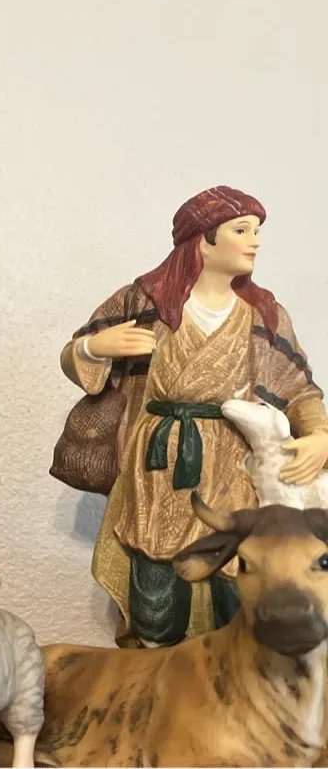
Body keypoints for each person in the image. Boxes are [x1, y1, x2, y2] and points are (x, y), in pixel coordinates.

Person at [59, 186, 328, 648]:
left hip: (231, 463)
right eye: (241, 230)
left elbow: (299, 388)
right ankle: (152, 668)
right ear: (203, 239)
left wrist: (320, 434)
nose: (255, 241)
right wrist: (92, 348)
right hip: (156, 463)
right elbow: (73, 354)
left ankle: (228, 674)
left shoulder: (263, 315)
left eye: (256, 231)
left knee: (233, 575)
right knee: (155, 583)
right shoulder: (144, 301)